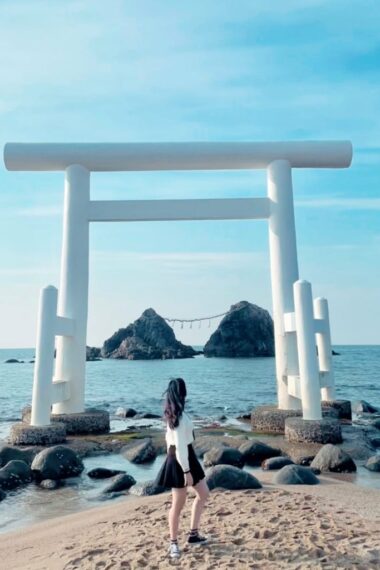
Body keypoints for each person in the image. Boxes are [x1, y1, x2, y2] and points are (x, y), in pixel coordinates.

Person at [155, 377, 210, 559]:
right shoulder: (176, 416)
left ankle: (193, 535)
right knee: (178, 505)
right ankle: (173, 544)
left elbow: (170, 440)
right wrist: (186, 471)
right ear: (182, 393)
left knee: (203, 494)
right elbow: (178, 446)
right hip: (180, 459)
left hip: (187, 455)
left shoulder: (176, 413)